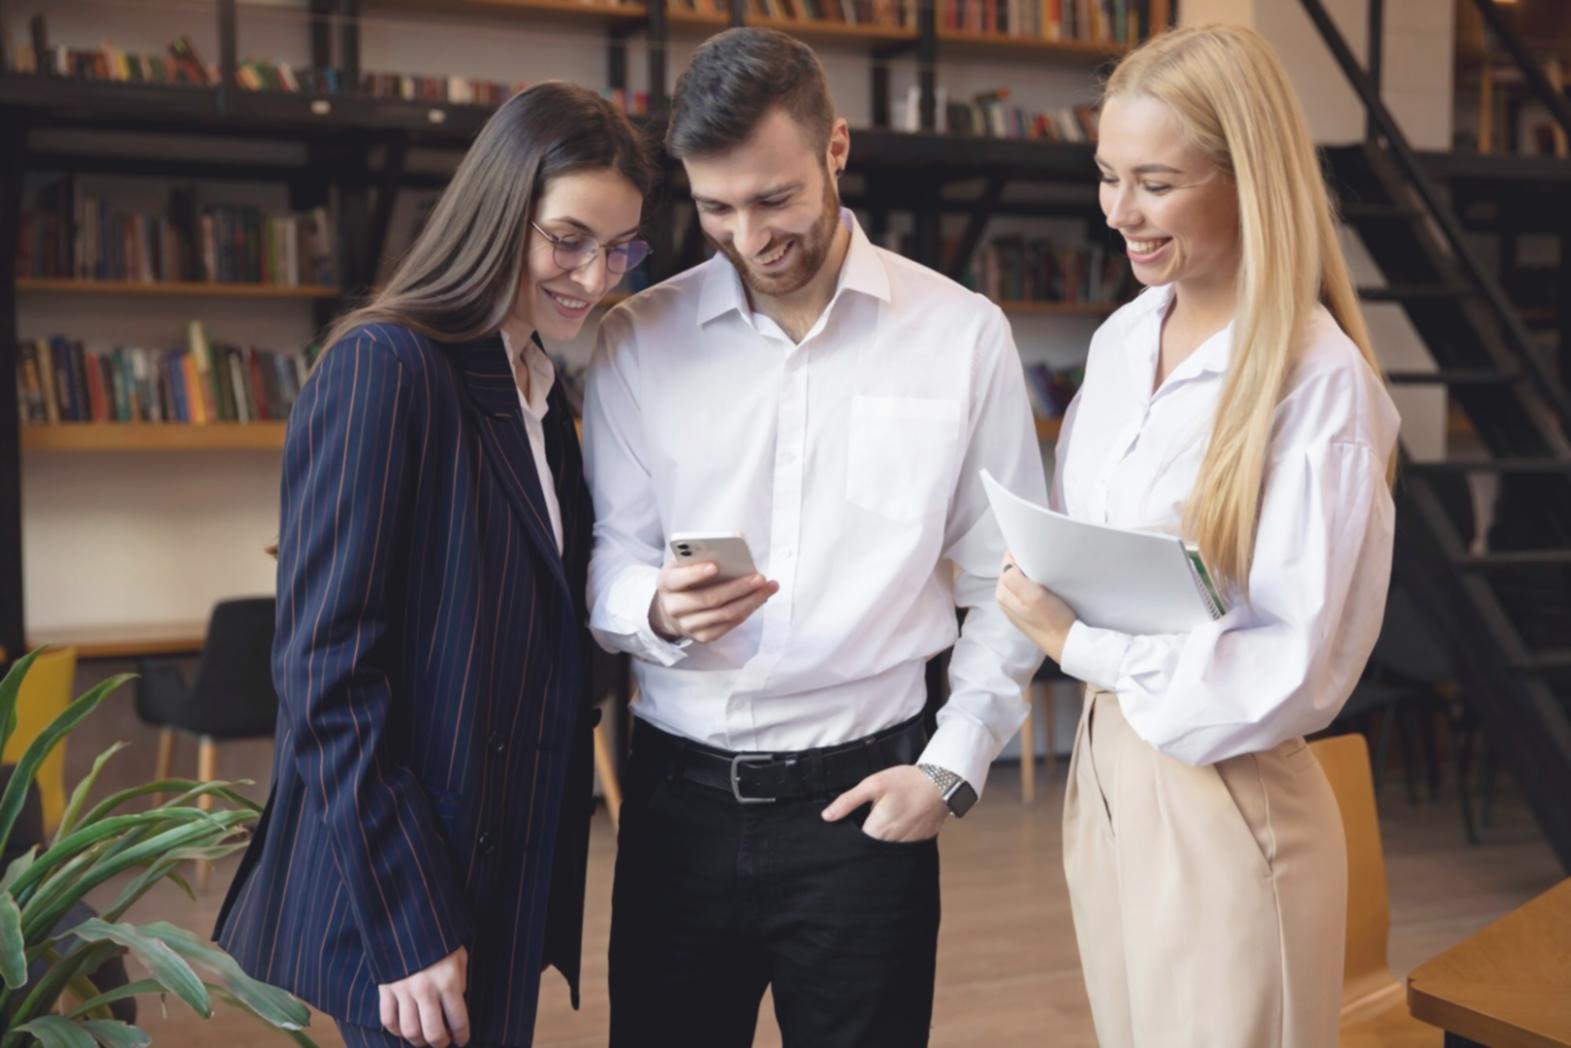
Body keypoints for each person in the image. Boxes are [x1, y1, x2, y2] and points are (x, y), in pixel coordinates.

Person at [582, 27, 1046, 1048]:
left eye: (774, 198)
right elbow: (609, 554)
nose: (747, 237)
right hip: (675, 808)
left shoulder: (961, 335)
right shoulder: (634, 337)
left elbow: (1006, 582)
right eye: (715, 208)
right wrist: (651, 606)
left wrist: (953, 764)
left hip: (866, 806)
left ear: (835, 147)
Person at [214, 82, 655, 1048]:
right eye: (568, 240)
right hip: (411, 884)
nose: (594, 276)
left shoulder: (538, 385)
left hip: (504, 867)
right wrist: (408, 920)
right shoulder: (387, 365)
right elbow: (325, 675)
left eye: (620, 248)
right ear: (499, 212)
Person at [994, 24, 1400, 1048]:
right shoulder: (1122, 338)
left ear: (1245, 180)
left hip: (1225, 794)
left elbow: (1289, 668)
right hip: (1104, 770)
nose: (1117, 212)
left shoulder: (1318, 383)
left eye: (1155, 183)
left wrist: (1076, 642)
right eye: (1106, 175)